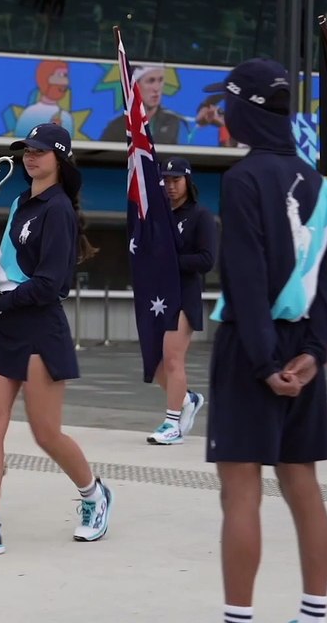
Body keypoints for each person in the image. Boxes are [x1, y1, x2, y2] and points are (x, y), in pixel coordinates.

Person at [203, 59, 327, 623]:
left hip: (250, 345)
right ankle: (314, 612)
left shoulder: (241, 180)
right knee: (302, 482)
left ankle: (239, 617)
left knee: (240, 492)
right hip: (305, 349)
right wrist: (314, 353)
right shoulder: (318, 184)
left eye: (227, 103)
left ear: (247, 110)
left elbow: (245, 274)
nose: (222, 112)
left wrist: (263, 364)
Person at [0, 123, 110, 560]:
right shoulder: (20, 202)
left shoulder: (59, 211)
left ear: (60, 158)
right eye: (25, 151)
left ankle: (94, 496)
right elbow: (10, 271)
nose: (30, 157)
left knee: (45, 432)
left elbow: (51, 285)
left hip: (38, 328)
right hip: (6, 327)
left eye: (39, 151)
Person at [146, 156, 215, 445]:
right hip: (156, 296)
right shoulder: (157, 215)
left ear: (188, 181)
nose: (170, 185)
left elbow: (207, 260)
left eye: (176, 179)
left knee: (173, 358)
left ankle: (172, 423)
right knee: (153, 362)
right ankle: (187, 398)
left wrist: (170, 261)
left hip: (184, 295)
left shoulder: (200, 215)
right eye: (166, 180)